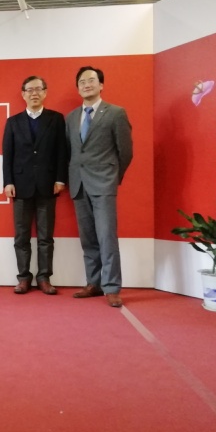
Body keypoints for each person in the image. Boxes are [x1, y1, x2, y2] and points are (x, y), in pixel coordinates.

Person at [65, 66, 133, 308]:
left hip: (104, 183)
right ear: (78, 88)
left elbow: (126, 152)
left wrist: (112, 177)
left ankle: (112, 287)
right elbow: (70, 151)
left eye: (91, 80)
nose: (86, 84)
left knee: (106, 237)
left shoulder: (115, 113)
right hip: (78, 183)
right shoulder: (71, 117)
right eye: (82, 81)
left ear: (101, 85)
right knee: (88, 238)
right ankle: (93, 283)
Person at [2, 76, 67, 295]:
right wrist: (8, 182)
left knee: (45, 236)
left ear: (45, 92)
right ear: (23, 94)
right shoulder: (13, 122)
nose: (34, 93)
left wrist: (60, 179)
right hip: (20, 186)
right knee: (21, 236)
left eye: (38, 89)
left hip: (48, 185)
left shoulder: (56, 119)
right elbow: (8, 155)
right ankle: (23, 278)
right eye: (29, 90)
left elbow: (62, 151)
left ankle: (44, 278)